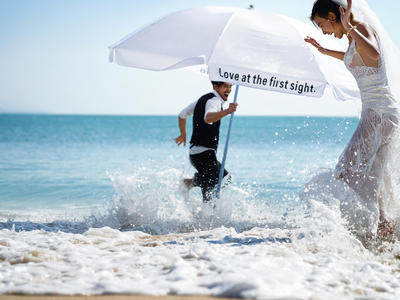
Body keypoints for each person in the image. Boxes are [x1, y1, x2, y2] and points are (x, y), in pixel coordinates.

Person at [305, 0, 400, 238]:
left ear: (332, 15)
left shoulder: (362, 29)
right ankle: (383, 223)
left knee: (346, 171)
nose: (324, 31)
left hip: (378, 115)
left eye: (322, 25)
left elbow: (374, 54)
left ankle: (364, 227)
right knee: (375, 172)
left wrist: (348, 27)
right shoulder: (352, 39)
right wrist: (325, 52)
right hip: (383, 114)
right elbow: (355, 56)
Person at [174, 81, 238, 202]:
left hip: (197, 153)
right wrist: (227, 112)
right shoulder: (214, 101)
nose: (229, 90)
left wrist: (183, 135)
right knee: (214, 185)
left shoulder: (203, 99)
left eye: (230, 86)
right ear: (215, 86)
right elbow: (208, 118)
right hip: (204, 154)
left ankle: (190, 183)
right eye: (225, 86)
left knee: (223, 179)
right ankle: (205, 216)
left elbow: (182, 115)